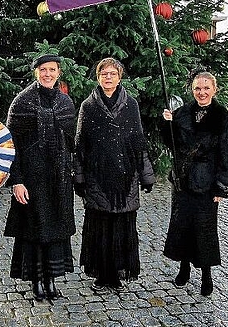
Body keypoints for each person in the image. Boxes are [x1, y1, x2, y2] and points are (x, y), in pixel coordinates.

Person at [74, 57, 155, 293]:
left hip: (125, 177)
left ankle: (118, 272)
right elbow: (80, 145)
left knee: (121, 228)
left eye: (112, 74)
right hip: (97, 177)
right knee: (100, 228)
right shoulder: (88, 106)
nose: (108, 78)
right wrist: (79, 178)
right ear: (98, 77)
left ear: (119, 77)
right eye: (103, 74)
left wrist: (146, 176)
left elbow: (139, 141)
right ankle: (102, 274)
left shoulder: (131, 105)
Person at [3, 53, 77, 302]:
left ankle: (51, 278)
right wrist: (17, 180)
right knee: (35, 230)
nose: (48, 74)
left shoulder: (66, 103)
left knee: (55, 229)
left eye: (52, 70)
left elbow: (72, 142)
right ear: (36, 72)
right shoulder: (22, 102)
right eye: (43, 70)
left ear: (58, 73)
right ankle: (36, 280)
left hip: (58, 178)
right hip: (32, 179)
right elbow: (9, 145)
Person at [161, 70, 228, 297]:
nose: (201, 92)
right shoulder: (181, 113)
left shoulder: (222, 117)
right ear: (192, 90)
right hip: (183, 180)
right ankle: (183, 269)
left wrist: (222, 186)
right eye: (197, 88)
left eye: (206, 88)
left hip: (206, 182)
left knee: (204, 231)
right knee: (182, 227)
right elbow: (170, 143)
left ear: (214, 89)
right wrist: (166, 124)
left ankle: (206, 275)